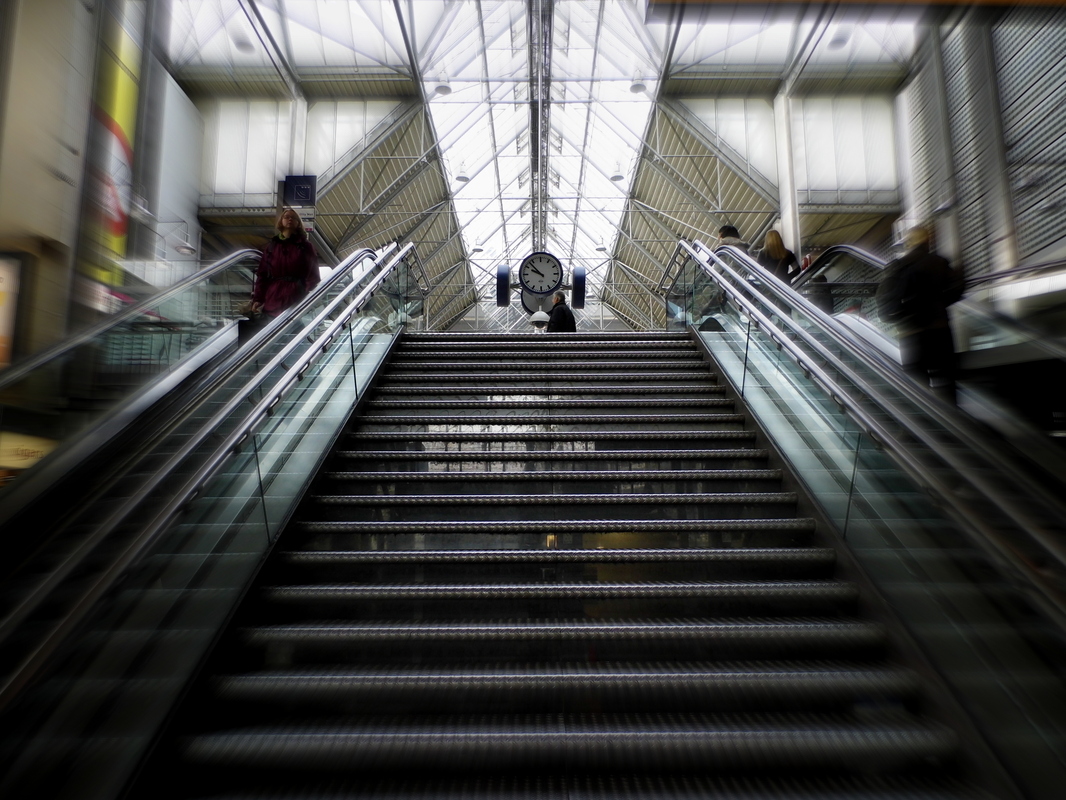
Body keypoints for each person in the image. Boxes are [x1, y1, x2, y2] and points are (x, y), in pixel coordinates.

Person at [877, 226, 964, 404]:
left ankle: (923, 424)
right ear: (927, 240)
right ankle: (953, 422)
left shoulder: (899, 267)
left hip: (911, 334)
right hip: (939, 330)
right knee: (946, 379)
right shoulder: (938, 262)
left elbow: (884, 298)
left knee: (916, 385)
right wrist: (940, 302)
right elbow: (957, 288)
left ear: (909, 243)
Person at [241, 208, 320, 344]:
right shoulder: (272, 247)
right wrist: (258, 299)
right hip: (274, 295)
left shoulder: (305, 246)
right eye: (286, 217)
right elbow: (262, 274)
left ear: (298, 223)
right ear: (281, 222)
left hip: (295, 295)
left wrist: (306, 293)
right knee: (272, 330)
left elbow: (313, 273)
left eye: (293, 218)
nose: (289, 219)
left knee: (291, 329)